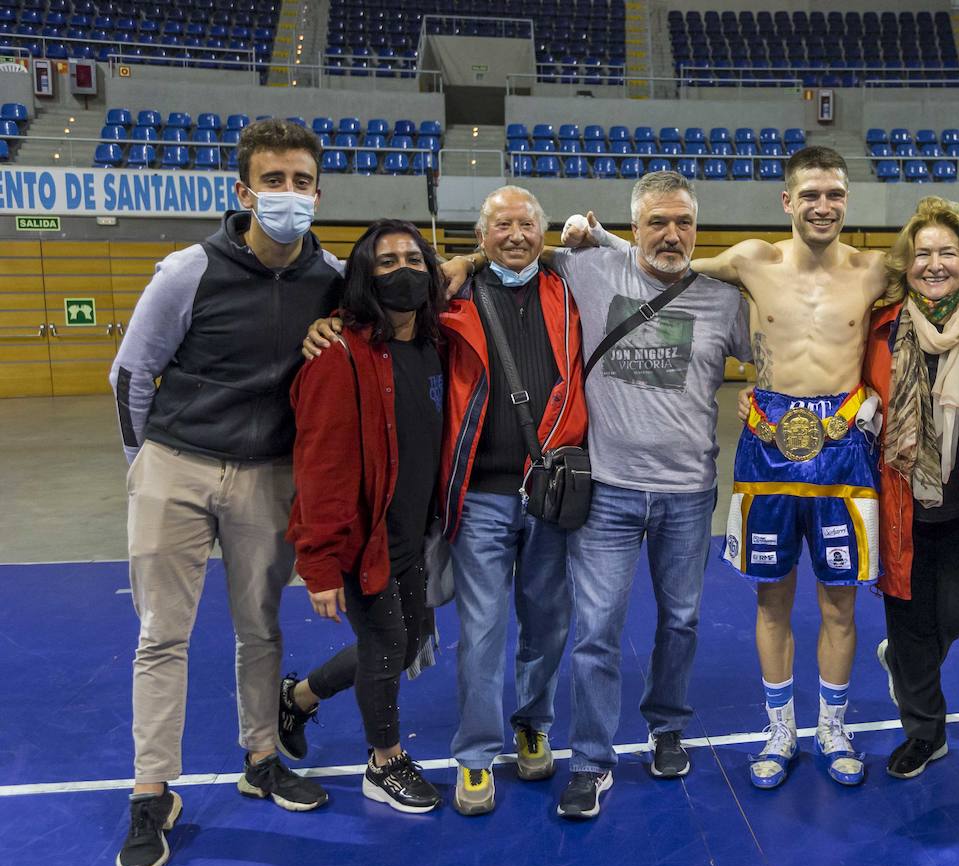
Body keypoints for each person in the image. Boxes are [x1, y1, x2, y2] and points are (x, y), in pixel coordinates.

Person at [456, 171, 750, 818]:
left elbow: (779, 355)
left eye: (683, 225)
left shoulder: (723, 302)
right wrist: (463, 257)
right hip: (607, 493)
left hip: (689, 494)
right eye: (656, 224)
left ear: (697, 231)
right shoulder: (589, 269)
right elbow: (516, 246)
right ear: (635, 227)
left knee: (681, 621)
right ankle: (590, 761)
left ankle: (666, 726)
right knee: (595, 632)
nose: (670, 236)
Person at [306, 186, 586, 817]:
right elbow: (371, 298)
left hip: (552, 492)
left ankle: (532, 723)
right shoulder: (450, 297)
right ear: (479, 238)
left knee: (545, 624)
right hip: (482, 495)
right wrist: (322, 325)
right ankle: (478, 756)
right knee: (483, 632)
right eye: (502, 225)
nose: (516, 235)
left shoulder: (570, 291)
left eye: (526, 224)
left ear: (541, 234)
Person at [109, 118, 340, 866]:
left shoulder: (329, 280)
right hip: (175, 463)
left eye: (301, 181)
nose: (287, 194)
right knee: (161, 635)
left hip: (268, 477)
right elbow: (130, 375)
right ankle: (152, 793)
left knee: (261, 629)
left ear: (317, 190)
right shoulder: (188, 270)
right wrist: (145, 466)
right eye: (272, 181)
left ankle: (261, 758)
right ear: (242, 191)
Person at [676, 147, 890, 789]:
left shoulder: (877, 268)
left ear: (846, 200)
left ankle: (832, 726)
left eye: (834, 194)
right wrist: (583, 241)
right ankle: (779, 729)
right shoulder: (751, 260)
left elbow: (957, 280)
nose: (823, 206)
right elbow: (664, 267)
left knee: (840, 605)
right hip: (766, 444)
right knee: (772, 602)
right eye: (811, 194)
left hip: (844, 445)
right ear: (787, 201)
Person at [279, 220, 453, 814]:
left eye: (413, 258)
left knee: (406, 645)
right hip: (364, 537)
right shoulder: (338, 356)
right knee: (385, 647)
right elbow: (319, 467)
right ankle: (384, 763)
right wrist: (319, 562)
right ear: (362, 277)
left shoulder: (433, 341)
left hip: (413, 531)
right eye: (385, 262)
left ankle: (299, 697)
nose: (402, 271)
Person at [862, 196, 959, 781]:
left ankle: (905, 663)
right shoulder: (878, 329)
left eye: (947, 252)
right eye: (923, 252)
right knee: (908, 618)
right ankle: (925, 732)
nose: (934, 263)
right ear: (907, 262)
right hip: (897, 503)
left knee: (958, 609)